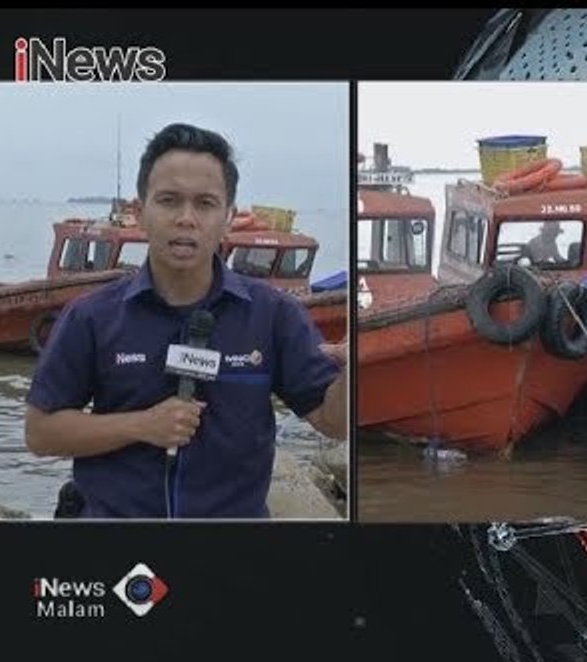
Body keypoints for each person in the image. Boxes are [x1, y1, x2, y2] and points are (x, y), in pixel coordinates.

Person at [24, 123, 347, 519]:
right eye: (169, 200)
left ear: (228, 217)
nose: (186, 218)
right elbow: (40, 433)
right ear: (140, 212)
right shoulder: (91, 316)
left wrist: (354, 372)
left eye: (205, 204)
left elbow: (333, 422)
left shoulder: (273, 315)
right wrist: (140, 425)